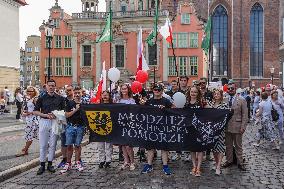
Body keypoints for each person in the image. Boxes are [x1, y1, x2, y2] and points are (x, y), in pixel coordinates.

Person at [141, 83, 175, 175]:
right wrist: (142, 105)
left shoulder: (165, 101)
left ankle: (165, 166)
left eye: (158, 90)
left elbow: (175, 109)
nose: (157, 91)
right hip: (151, 128)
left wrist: (166, 109)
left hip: (163, 127)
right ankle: (149, 165)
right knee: (150, 148)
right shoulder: (149, 101)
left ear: (162, 91)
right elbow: (142, 111)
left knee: (164, 148)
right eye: (155, 90)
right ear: (153, 91)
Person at [33, 79, 65, 175]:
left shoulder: (60, 98)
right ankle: (42, 164)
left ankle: (50, 163)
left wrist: (56, 115)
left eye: (53, 86)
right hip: (44, 121)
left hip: (55, 122)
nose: (51, 87)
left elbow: (64, 112)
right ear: (46, 86)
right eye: (49, 85)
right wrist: (45, 115)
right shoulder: (42, 98)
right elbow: (35, 111)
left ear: (55, 87)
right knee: (43, 145)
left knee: (53, 144)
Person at [223, 83, 248, 171]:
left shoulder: (242, 100)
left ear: (235, 89)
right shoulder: (224, 100)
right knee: (228, 146)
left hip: (237, 126)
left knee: (238, 146)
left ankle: (240, 162)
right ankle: (229, 161)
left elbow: (245, 114)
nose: (230, 90)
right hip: (227, 127)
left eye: (232, 88)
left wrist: (243, 126)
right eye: (229, 89)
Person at [60, 86, 85, 173]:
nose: (77, 95)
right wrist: (75, 110)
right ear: (74, 94)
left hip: (80, 127)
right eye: (76, 93)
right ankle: (68, 163)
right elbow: (66, 115)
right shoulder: (70, 103)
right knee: (69, 145)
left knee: (78, 145)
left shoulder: (84, 103)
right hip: (70, 126)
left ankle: (78, 162)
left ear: (82, 93)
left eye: (79, 93)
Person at [206, 89, 229, 175]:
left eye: (218, 94)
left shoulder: (224, 105)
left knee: (220, 147)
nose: (216, 95)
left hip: (220, 129)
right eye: (215, 94)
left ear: (221, 95)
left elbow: (227, 116)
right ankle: (216, 163)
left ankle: (219, 166)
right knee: (214, 148)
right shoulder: (210, 104)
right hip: (212, 129)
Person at [185, 86, 204, 177]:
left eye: (195, 92)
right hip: (190, 128)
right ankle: (194, 166)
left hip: (200, 128)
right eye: (192, 92)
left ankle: (199, 168)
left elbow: (211, 110)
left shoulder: (201, 103)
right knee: (192, 149)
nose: (193, 93)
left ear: (198, 93)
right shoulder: (186, 103)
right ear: (189, 93)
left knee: (199, 149)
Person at [117, 84, 136, 171]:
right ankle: (126, 161)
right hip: (121, 125)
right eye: (122, 89)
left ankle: (132, 162)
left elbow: (134, 112)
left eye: (125, 89)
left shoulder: (131, 100)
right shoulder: (118, 100)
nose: (124, 90)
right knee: (123, 145)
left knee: (128, 145)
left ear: (128, 90)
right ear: (120, 90)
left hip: (129, 125)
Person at [16, 86, 39, 157]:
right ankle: (49, 147)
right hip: (29, 120)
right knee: (36, 135)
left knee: (30, 135)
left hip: (33, 120)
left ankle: (25, 150)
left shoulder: (35, 99)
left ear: (34, 92)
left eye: (31, 91)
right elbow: (30, 108)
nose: (29, 92)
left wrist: (28, 113)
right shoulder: (30, 99)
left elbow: (39, 111)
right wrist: (26, 112)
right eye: (28, 91)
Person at [58, 85, 74, 168]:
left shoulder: (77, 100)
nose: (68, 92)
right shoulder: (63, 101)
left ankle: (78, 160)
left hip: (75, 124)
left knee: (76, 143)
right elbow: (59, 111)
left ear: (73, 90)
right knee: (64, 142)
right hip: (65, 123)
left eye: (69, 90)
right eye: (66, 90)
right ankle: (65, 159)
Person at [97, 91, 113, 168]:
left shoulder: (112, 105)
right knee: (100, 145)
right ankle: (101, 160)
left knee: (108, 145)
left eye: (106, 95)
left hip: (109, 127)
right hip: (100, 127)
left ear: (109, 96)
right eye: (103, 95)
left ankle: (108, 160)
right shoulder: (98, 105)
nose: (105, 96)